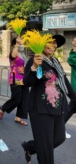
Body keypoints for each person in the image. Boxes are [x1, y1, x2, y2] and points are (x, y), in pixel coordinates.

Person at [21, 33, 72, 164]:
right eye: (50, 42)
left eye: (55, 43)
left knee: (59, 138)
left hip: (57, 107)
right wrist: (34, 67)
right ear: (42, 44)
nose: (53, 45)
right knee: (46, 149)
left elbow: (64, 82)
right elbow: (27, 82)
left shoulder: (55, 62)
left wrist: (74, 96)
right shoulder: (35, 60)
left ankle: (30, 148)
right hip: (40, 109)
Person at [0, 36, 29, 125]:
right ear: (15, 44)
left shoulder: (23, 54)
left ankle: (18, 117)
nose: (21, 44)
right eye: (19, 42)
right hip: (16, 78)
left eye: (22, 42)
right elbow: (13, 56)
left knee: (24, 99)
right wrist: (17, 45)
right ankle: (3, 108)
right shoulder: (13, 52)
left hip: (24, 78)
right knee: (17, 99)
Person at [64, 36, 76, 137]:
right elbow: (71, 61)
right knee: (69, 110)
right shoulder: (74, 56)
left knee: (69, 110)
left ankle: (57, 128)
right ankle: (57, 128)